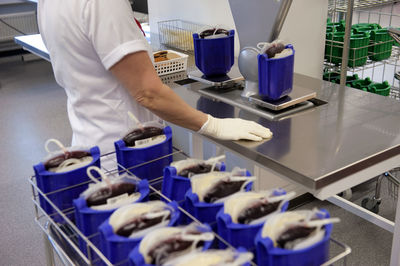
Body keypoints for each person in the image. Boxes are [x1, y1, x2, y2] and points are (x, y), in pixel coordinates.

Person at [37, 0, 272, 153]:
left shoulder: (48, 3)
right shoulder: (102, 3)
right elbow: (147, 93)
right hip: (127, 151)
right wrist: (213, 126)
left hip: (89, 143)